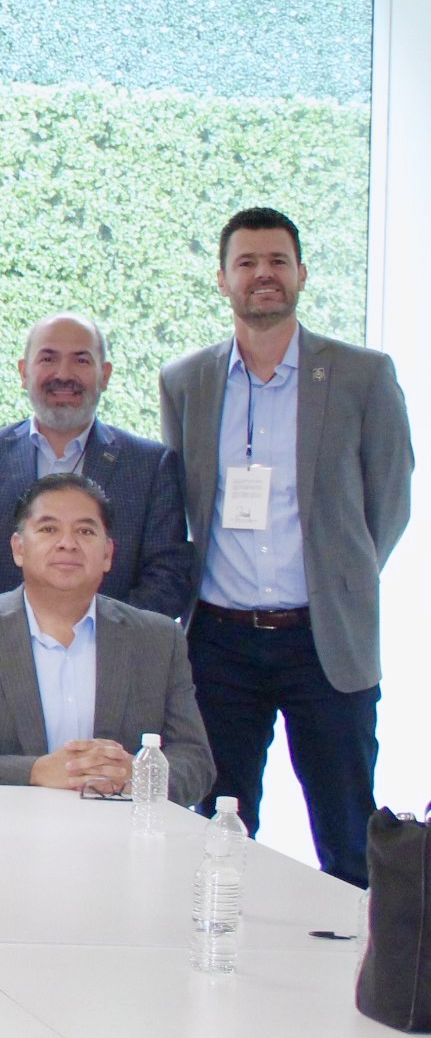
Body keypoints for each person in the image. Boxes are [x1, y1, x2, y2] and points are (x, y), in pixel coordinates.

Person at [160, 207, 411, 885]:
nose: (262, 274)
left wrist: (341, 578)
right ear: (222, 280)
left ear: (301, 273)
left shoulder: (361, 375)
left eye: (276, 260)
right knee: (217, 827)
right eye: (245, 263)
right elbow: (184, 503)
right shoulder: (186, 381)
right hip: (219, 644)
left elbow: (389, 499)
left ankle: (362, 952)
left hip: (323, 641)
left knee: (347, 834)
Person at [0, 474, 217, 804]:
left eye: (85, 532)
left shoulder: (158, 639)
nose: (67, 543)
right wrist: (35, 771)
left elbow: (196, 763)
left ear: (108, 553)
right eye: (49, 529)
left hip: (121, 829)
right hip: (1, 827)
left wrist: (140, 775)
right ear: (18, 548)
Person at [0, 313, 190, 617]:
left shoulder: (151, 465)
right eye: (48, 359)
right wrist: (5, 635)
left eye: (81, 360)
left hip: (117, 644)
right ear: (24, 372)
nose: (63, 374)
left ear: (105, 375)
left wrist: (101, 637)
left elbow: (168, 576)